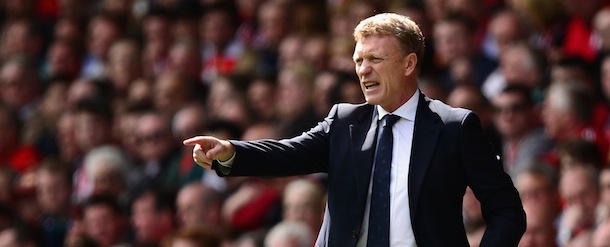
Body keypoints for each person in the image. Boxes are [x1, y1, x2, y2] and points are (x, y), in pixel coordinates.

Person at [184, 13, 525, 246]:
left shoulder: (454, 127)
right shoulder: (345, 122)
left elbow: (507, 209)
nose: (363, 70)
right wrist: (231, 152)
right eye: (359, 60)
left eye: (375, 59)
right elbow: (289, 154)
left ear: (409, 63)